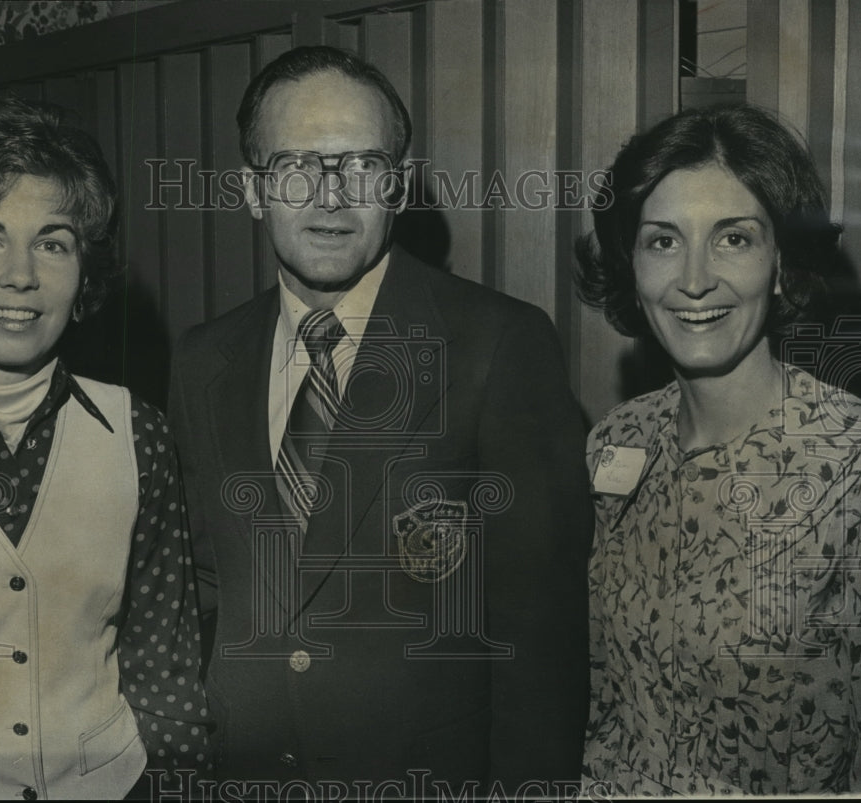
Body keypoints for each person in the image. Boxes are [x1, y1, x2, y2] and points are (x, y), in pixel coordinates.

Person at [168, 45, 592, 797]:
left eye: (361, 165)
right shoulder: (203, 360)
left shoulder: (498, 344)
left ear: (396, 187)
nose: (331, 197)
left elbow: (540, 648)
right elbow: (205, 588)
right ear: (252, 190)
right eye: (297, 165)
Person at [0, 97, 209, 799]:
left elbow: (164, 668)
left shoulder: (135, 432)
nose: (20, 274)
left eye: (52, 241)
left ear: (82, 274)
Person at [575, 103, 861, 796]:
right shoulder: (616, 440)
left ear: (779, 261)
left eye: (733, 238)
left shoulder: (853, 462)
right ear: (630, 264)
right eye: (662, 241)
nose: (695, 279)